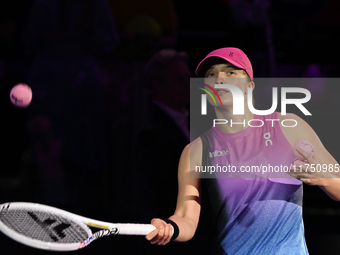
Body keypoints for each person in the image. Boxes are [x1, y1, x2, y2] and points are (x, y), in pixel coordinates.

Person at [145, 47, 340, 254]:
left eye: (230, 72)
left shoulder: (289, 126)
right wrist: (169, 228)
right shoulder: (196, 150)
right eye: (211, 75)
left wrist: (323, 178)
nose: (219, 79)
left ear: (250, 85)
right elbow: (185, 217)